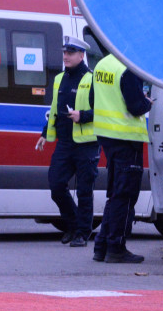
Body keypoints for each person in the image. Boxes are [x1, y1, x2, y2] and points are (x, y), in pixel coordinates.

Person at [35, 36, 98, 247]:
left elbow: (104, 112)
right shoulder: (60, 78)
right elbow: (54, 109)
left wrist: (84, 116)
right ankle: (72, 224)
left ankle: (82, 232)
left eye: (70, 53)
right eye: (64, 52)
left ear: (81, 55)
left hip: (86, 144)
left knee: (84, 191)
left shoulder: (92, 79)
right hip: (65, 143)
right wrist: (45, 132)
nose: (65, 56)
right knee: (56, 185)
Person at [90, 52, 150, 263]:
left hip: (107, 137)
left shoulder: (102, 64)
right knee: (125, 196)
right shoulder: (128, 66)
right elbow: (136, 106)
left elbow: (92, 99)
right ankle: (116, 246)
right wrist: (148, 103)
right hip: (127, 137)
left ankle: (102, 245)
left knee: (115, 193)